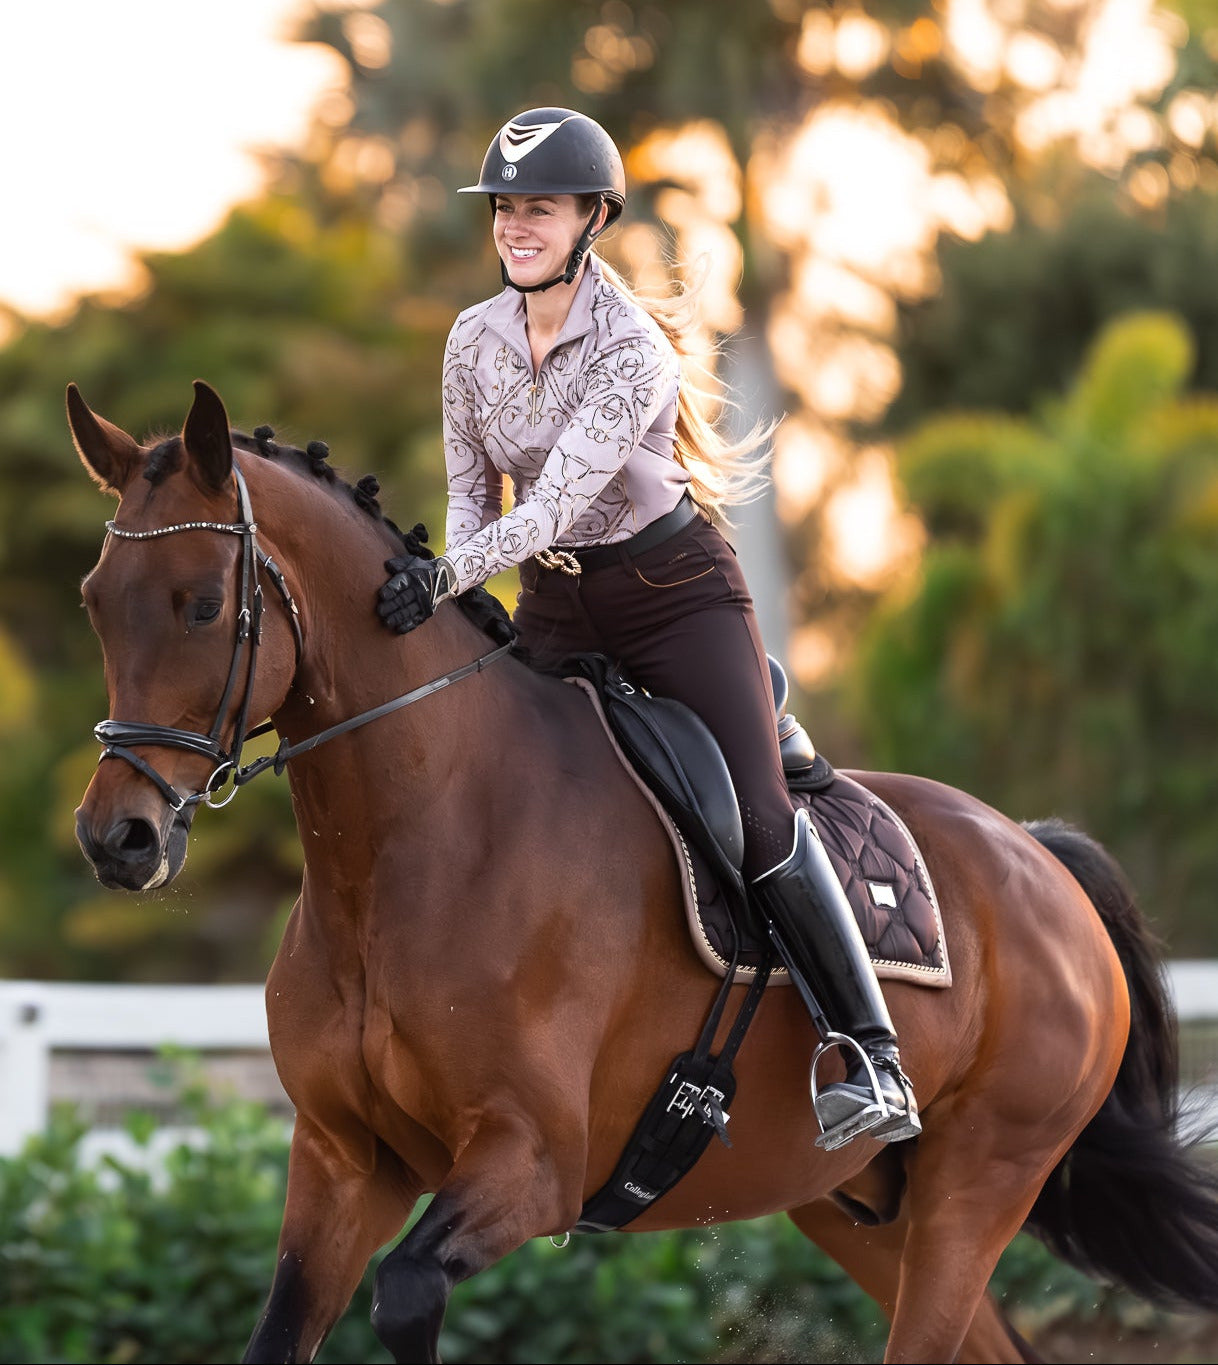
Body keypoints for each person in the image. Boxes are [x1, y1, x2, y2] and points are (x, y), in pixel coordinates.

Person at [376, 107, 919, 1150]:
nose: (515, 225)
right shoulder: (470, 341)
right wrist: (449, 584)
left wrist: (445, 577)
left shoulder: (632, 350)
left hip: (675, 595)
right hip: (555, 599)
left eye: (538, 208)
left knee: (757, 818)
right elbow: (471, 500)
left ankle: (873, 1054)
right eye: (504, 208)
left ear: (591, 219)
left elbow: (555, 507)